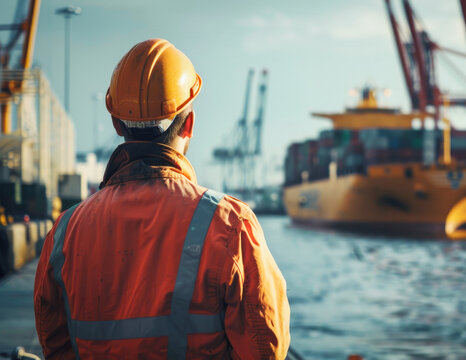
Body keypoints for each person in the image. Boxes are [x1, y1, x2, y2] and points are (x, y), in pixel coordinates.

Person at [33, 39, 290, 359]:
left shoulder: (65, 232)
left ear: (116, 123)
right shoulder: (229, 225)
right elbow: (265, 347)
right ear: (190, 125)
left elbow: (54, 343)